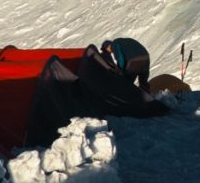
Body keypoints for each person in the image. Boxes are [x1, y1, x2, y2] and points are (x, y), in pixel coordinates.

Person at [25, 36, 169, 150]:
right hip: (146, 58)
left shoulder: (116, 44)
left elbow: (120, 57)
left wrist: (120, 71)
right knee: (143, 83)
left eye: (108, 50)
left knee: (126, 87)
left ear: (108, 46)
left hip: (133, 61)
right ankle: (149, 102)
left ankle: (136, 106)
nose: (109, 52)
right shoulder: (126, 41)